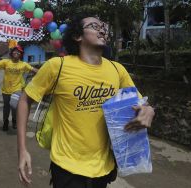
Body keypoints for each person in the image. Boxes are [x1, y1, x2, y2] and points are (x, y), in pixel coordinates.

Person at [17, 14, 155, 188]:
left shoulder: (117, 69)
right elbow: (25, 100)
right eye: (94, 26)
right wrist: (22, 150)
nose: (102, 30)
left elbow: (141, 103)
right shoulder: (57, 66)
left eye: (103, 27)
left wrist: (149, 110)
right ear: (77, 36)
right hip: (67, 166)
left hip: (103, 167)